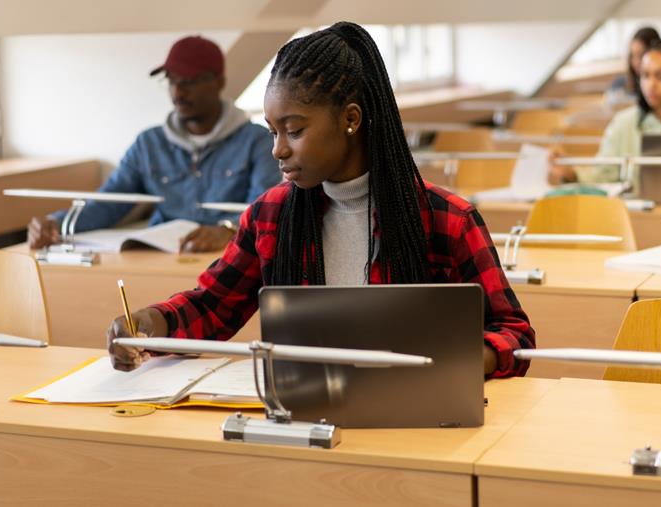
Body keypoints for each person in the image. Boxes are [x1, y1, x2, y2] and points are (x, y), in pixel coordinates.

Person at [105, 22, 536, 378]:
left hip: (415, 421)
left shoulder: (448, 220)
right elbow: (212, 306)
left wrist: (454, 364)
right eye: (272, 131)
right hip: (305, 418)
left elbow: (514, 335)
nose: (277, 149)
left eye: (294, 131)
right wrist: (150, 324)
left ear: (350, 119)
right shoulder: (270, 216)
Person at [27, 36, 280, 253]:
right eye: (171, 80)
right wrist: (56, 223)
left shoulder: (257, 141)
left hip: (228, 260)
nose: (177, 92)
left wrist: (227, 230)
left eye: (188, 82)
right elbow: (109, 202)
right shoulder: (149, 143)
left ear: (218, 82)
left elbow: (263, 211)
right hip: (162, 257)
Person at [552, 40, 661, 190]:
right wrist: (571, 174)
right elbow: (603, 175)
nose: (651, 85)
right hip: (634, 219)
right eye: (645, 76)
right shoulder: (624, 123)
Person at [606, 26, 661, 101]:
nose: (636, 62)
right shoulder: (619, 84)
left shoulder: (660, 88)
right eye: (632, 55)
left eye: (641, 55)